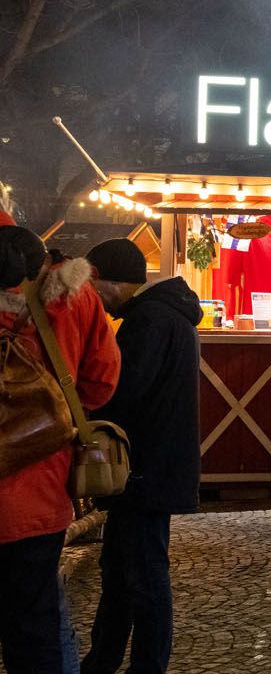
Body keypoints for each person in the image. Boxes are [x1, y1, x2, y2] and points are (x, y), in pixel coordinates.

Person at [0, 220, 120, 673]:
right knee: (33, 626)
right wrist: (50, 416)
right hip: (39, 490)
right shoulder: (73, 291)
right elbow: (101, 382)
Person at [82, 239, 204, 674]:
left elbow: (123, 390)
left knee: (145, 578)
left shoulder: (148, 320)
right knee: (120, 572)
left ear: (108, 281)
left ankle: (145, 667)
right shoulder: (165, 315)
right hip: (157, 467)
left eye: (92, 285)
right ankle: (102, 660)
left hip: (144, 470)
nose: (91, 297)